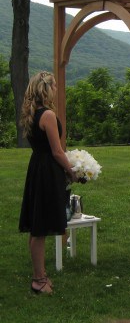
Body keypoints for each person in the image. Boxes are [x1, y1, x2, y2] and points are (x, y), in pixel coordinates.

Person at [19, 71, 77, 294]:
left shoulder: (31, 114)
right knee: (40, 225)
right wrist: (71, 170)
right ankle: (39, 278)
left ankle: (39, 273)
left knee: (37, 226)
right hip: (46, 172)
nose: (56, 90)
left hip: (36, 167)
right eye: (53, 86)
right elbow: (57, 150)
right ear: (46, 88)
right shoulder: (48, 115)